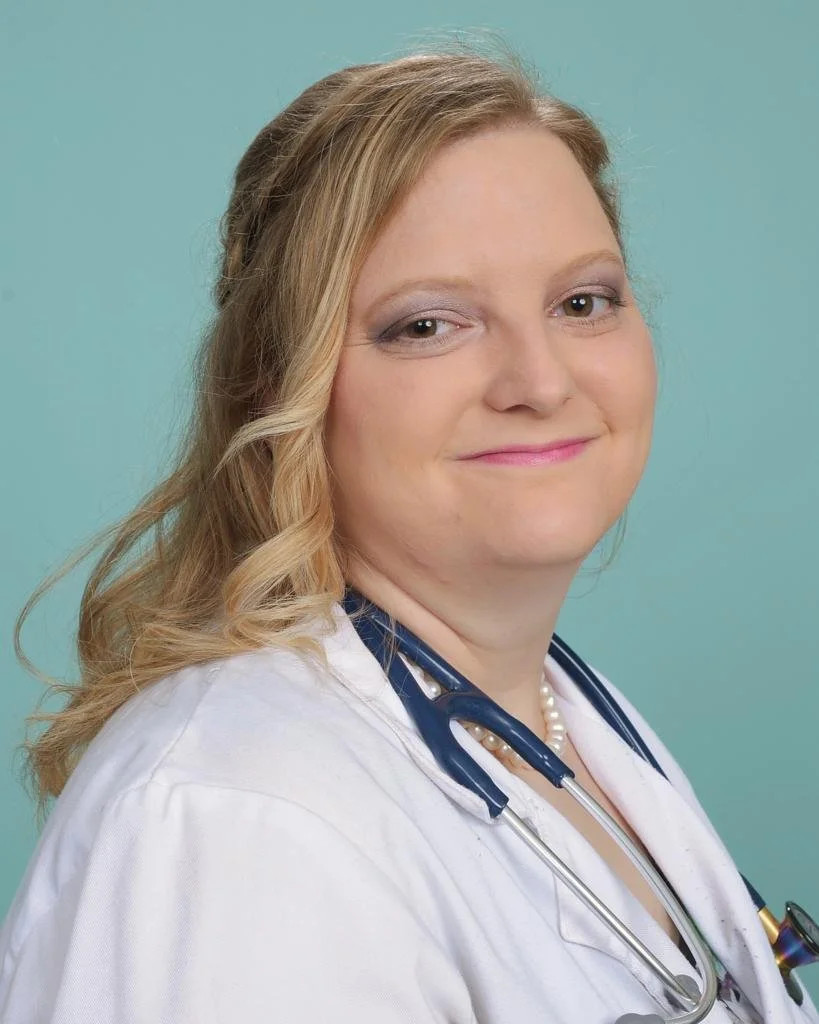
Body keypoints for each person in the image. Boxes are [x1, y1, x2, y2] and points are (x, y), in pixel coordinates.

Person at [1, 48, 815, 1024]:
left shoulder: (557, 714)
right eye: (429, 324)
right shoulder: (243, 819)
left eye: (582, 302)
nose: (541, 381)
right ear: (280, 384)